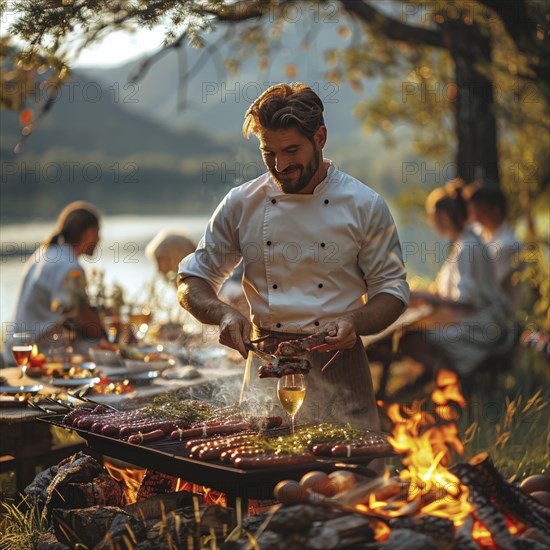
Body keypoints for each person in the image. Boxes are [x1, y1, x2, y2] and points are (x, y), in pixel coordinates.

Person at [177, 83, 409, 433]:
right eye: (268, 152)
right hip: (266, 369)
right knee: (258, 480)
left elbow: (392, 292)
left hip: (339, 365)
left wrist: (355, 322)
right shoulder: (243, 202)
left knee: (349, 483)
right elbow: (190, 282)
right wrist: (223, 314)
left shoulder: (364, 204)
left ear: (320, 137)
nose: (280, 165)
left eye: (291, 150)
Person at [400, 184, 515, 385]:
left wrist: (424, 297)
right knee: (411, 334)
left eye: (433, 216)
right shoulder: (466, 242)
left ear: (444, 216)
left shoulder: (468, 247)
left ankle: (459, 382)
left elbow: (466, 302)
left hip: (479, 327)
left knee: (411, 340)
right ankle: (452, 382)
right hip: (481, 320)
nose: (431, 222)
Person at [3, 201, 106, 361]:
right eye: (99, 233)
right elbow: (84, 321)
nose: (100, 239)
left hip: (15, 350)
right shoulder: (69, 268)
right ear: (90, 232)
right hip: (34, 357)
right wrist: (107, 332)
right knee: (104, 356)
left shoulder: (47, 253)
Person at [467, 185, 523, 308]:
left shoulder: (508, 246)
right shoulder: (482, 235)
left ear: (496, 210)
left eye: (479, 210)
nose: (475, 216)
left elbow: (488, 287)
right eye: (473, 211)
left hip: (499, 316)